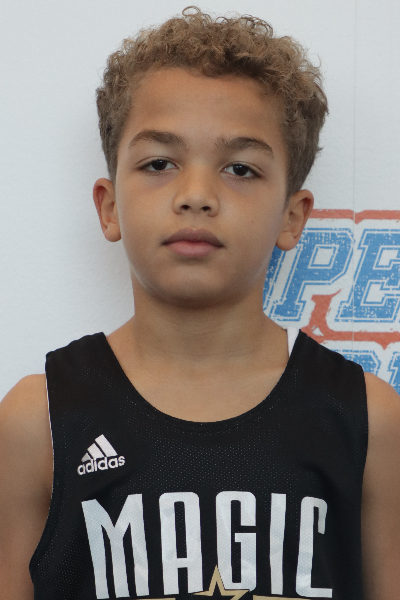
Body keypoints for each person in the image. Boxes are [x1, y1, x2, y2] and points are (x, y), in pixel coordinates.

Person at [1, 6, 399, 600]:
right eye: (159, 163)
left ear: (292, 217)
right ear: (109, 206)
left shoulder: (366, 418)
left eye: (240, 168)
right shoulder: (40, 419)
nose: (196, 195)